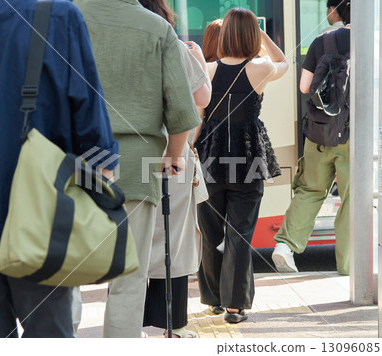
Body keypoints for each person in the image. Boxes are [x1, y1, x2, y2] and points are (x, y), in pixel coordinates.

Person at [0, 0, 118, 337]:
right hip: (43, 220)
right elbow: (88, 113)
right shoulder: (59, 15)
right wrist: (102, 185)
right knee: (51, 333)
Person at [74, 0, 202, 338]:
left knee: (63, 268)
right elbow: (183, 110)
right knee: (129, 279)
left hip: (71, 162)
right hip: (134, 164)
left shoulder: (64, 16)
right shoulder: (157, 28)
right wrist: (174, 155)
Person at [195, 8, 288, 324]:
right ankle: (235, 307)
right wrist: (261, 35)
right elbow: (285, 62)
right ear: (250, 36)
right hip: (248, 159)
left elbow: (196, 116)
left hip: (210, 158)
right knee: (239, 233)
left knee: (209, 232)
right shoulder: (260, 68)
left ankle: (213, 300)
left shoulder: (206, 69)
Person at [138, 0, 211, 338]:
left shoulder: (106, 39)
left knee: (132, 241)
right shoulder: (172, 43)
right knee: (174, 240)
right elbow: (201, 97)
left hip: (124, 156)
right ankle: (172, 326)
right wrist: (196, 58)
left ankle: (129, 326)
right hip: (171, 154)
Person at [272, 0, 351, 276]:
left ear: (337, 9)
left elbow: (306, 87)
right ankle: (349, 267)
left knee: (310, 190)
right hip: (354, 136)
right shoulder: (369, 42)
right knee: (352, 198)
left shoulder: (322, 41)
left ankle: (285, 246)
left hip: (319, 133)